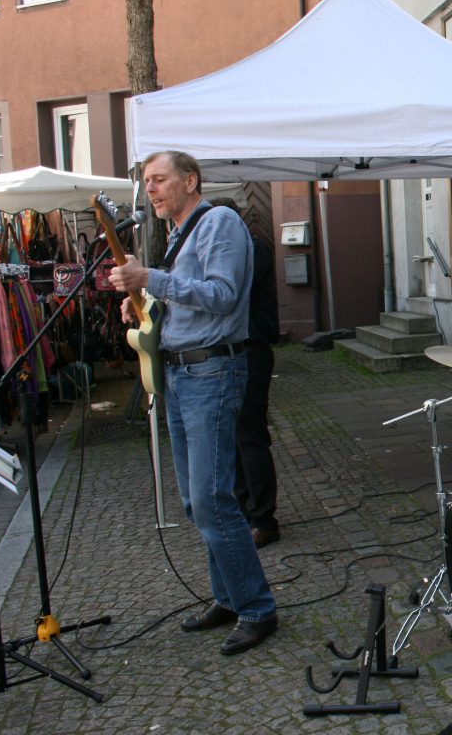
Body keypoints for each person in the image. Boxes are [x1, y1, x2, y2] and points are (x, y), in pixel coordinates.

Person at [110, 151, 278, 656]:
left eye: (159, 180)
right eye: (147, 182)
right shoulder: (179, 235)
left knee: (211, 498)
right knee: (194, 499)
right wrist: (144, 304)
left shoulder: (220, 223)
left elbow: (223, 295)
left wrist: (150, 281)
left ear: (190, 180)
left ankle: (257, 608)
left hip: (213, 371)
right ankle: (227, 596)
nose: (152, 189)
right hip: (183, 374)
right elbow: (185, 298)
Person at [214, 199, 280, 549]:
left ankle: (263, 518)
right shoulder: (237, 248)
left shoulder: (252, 249)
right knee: (234, 436)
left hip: (251, 349)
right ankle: (243, 509)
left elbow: (228, 292)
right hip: (232, 350)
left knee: (250, 435)